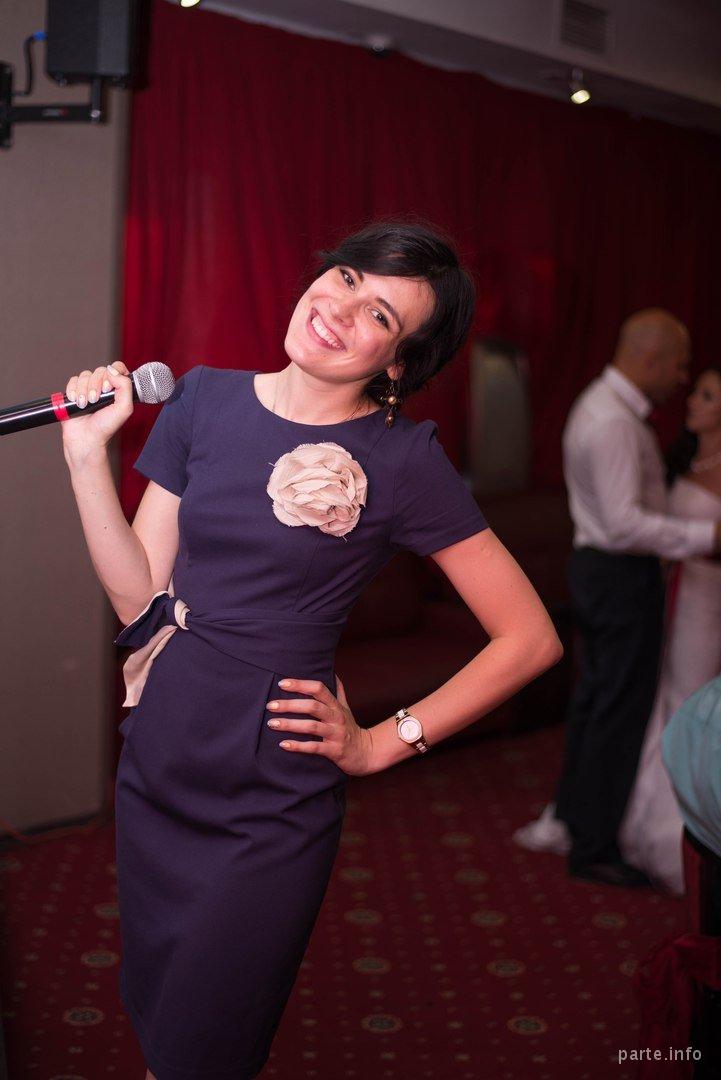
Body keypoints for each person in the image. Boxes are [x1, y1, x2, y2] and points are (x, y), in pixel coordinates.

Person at [61, 220, 563, 1080]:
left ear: (397, 364)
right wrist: (84, 457)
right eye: (347, 277)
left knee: (205, 1045)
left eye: (379, 315)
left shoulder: (402, 460)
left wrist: (380, 744)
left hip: (271, 788)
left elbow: (529, 638)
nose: (339, 308)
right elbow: (139, 598)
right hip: (162, 753)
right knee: (160, 1020)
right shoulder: (201, 399)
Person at [513, 310, 721, 889]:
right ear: (651, 359)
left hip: (610, 573)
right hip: (616, 574)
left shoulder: (613, 410)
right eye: (679, 364)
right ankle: (596, 844)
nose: (682, 377)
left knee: (601, 703)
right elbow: (624, 524)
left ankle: (580, 821)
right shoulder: (611, 421)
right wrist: (709, 537)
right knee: (616, 711)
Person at [618, 367, 721, 894]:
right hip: (670, 594)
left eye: (707, 395)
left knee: (689, 703)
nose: (693, 401)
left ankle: (679, 837)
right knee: (660, 698)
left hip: (707, 600)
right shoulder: (684, 457)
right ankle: (642, 825)